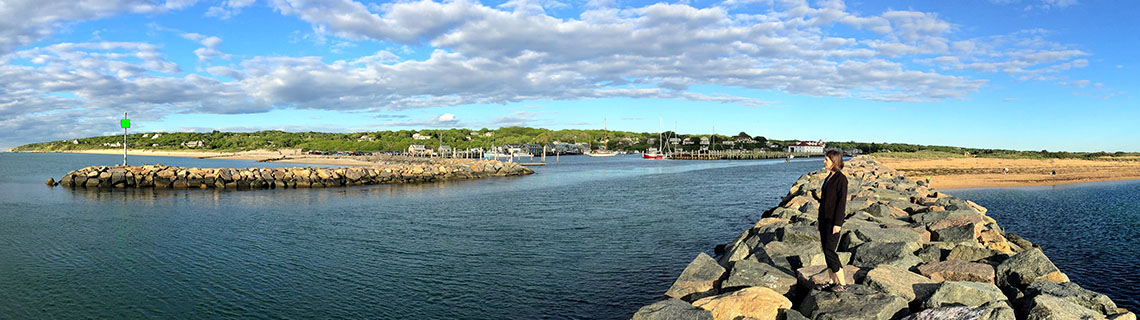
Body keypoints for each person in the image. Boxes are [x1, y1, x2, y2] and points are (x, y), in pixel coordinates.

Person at [816, 150, 849, 292]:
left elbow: (841, 204)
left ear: (834, 161)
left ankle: (842, 283)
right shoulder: (829, 177)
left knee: (830, 251)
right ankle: (831, 281)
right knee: (826, 251)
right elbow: (824, 202)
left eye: (826, 160)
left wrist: (838, 224)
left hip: (833, 221)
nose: (824, 162)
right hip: (824, 220)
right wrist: (819, 220)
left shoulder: (841, 179)